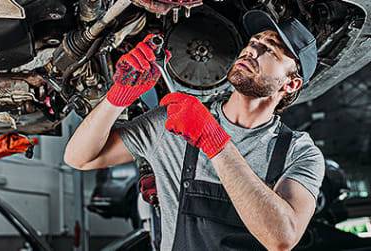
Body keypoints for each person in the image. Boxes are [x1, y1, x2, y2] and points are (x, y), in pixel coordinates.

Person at [64, 10, 325, 251]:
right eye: (253, 42)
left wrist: (214, 142)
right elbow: (80, 157)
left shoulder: (299, 152)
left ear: (291, 84)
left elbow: (281, 238)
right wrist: (117, 98)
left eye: (270, 50)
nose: (251, 51)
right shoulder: (178, 118)